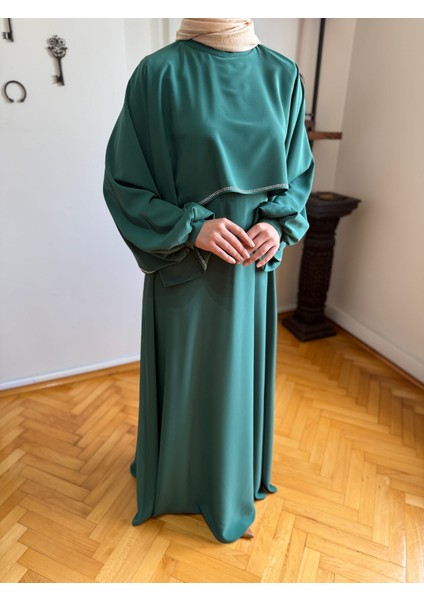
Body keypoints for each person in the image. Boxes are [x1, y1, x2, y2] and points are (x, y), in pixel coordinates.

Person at [103, 18, 314, 543]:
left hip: (250, 270)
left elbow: (297, 173)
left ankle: (230, 482)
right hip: (187, 264)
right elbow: (125, 182)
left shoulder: (283, 74)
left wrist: (276, 225)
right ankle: (179, 482)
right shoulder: (158, 74)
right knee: (189, 375)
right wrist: (191, 228)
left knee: (237, 376)